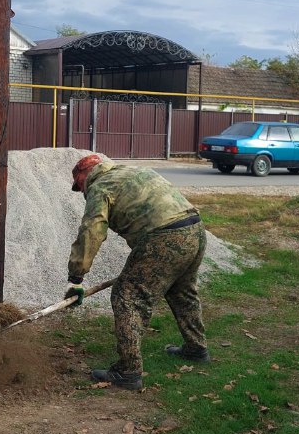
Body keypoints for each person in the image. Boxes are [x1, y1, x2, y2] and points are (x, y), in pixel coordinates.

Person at [65, 153, 209, 390]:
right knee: (183, 292)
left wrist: (76, 278)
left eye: (79, 185)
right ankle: (196, 348)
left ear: (84, 175)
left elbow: (92, 231)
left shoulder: (100, 187)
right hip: (194, 228)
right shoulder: (135, 171)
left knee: (128, 297)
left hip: (163, 236)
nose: (81, 191)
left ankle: (128, 371)